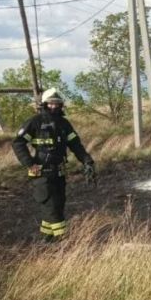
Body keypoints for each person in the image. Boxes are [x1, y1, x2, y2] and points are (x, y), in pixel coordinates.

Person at [12, 88, 95, 241]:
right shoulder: (35, 122)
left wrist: (87, 161)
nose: (54, 106)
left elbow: (75, 144)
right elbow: (18, 143)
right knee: (51, 207)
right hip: (41, 173)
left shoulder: (64, 124)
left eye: (57, 103)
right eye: (50, 103)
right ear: (44, 104)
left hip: (59, 173)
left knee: (58, 205)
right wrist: (29, 163)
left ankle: (48, 238)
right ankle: (64, 240)